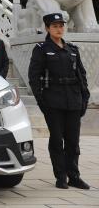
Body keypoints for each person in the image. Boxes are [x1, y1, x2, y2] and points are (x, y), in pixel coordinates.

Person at [28, 13, 91, 190]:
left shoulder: (72, 49)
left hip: (73, 100)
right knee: (57, 140)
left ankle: (74, 176)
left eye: (61, 25)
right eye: (55, 26)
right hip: (53, 101)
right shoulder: (41, 49)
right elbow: (34, 77)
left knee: (73, 141)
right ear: (47, 28)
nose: (59, 29)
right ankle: (61, 177)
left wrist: (84, 97)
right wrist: (41, 101)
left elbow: (81, 74)